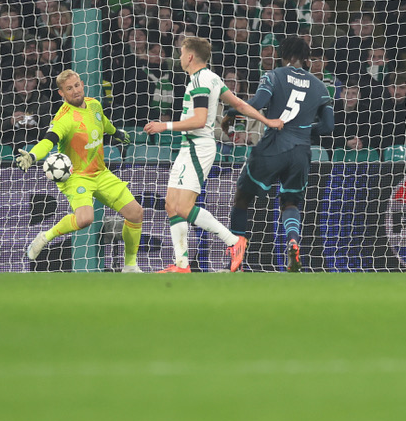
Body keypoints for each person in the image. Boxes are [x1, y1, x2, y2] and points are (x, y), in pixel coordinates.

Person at [142, 37, 283, 273]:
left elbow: (198, 120)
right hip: (189, 147)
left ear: (189, 56)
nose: (179, 57)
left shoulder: (200, 81)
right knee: (171, 205)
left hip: (199, 146)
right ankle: (181, 265)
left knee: (185, 207)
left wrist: (162, 126)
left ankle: (233, 241)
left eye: (180, 53)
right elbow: (240, 104)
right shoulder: (212, 78)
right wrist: (266, 120)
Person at [221, 36, 334, 272]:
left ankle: (237, 254)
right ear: (306, 59)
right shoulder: (321, 87)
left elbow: (258, 102)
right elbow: (327, 128)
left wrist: (231, 112)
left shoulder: (273, 75)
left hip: (272, 147)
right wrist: (301, 130)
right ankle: (293, 241)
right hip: (301, 152)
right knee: (290, 202)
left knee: (242, 197)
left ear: (282, 55)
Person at [17, 70, 145, 272]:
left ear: (82, 84)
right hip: (76, 177)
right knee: (85, 219)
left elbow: (102, 122)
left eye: (77, 85)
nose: (75, 91)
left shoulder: (93, 103)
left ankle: (130, 266)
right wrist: (32, 156)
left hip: (100, 172)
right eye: (69, 88)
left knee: (136, 213)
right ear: (62, 93)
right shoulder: (64, 118)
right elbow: (48, 141)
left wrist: (116, 132)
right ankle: (45, 237)